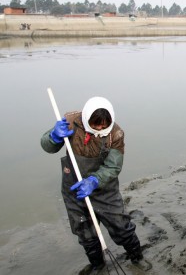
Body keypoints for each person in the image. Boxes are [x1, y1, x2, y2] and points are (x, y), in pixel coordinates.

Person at [41, 97, 150, 273]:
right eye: (96, 124)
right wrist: (53, 137)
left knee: (121, 227)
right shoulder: (70, 123)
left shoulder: (116, 134)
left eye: (104, 124)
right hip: (74, 190)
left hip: (104, 190)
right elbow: (46, 146)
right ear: (87, 119)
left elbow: (113, 166)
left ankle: (137, 257)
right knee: (85, 233)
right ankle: (98, 265)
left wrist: (94, 180)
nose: (100, 128)